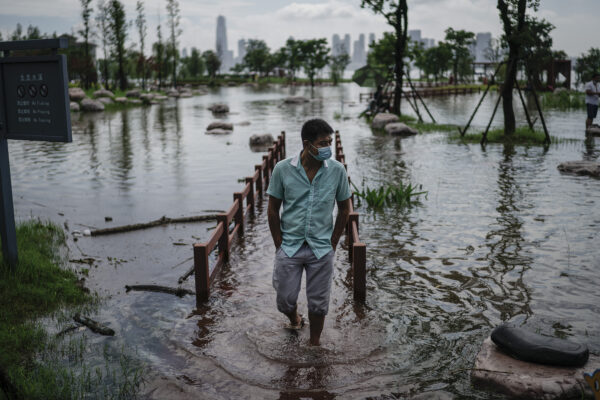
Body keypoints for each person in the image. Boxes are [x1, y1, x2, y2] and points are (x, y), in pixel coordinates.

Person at [266, 119, 351, 346]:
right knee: (284, 299)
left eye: (330, 142)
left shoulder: (336, 170)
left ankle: (314, 344)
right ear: (307, 144)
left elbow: (345, 208)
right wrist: (278, 243)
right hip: (290, 245)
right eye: (323, 143)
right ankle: (294, 318)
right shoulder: (283, 169)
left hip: (321, 247)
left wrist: (333, 243)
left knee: (318, 302)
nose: (328, 148)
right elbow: (273, 208)